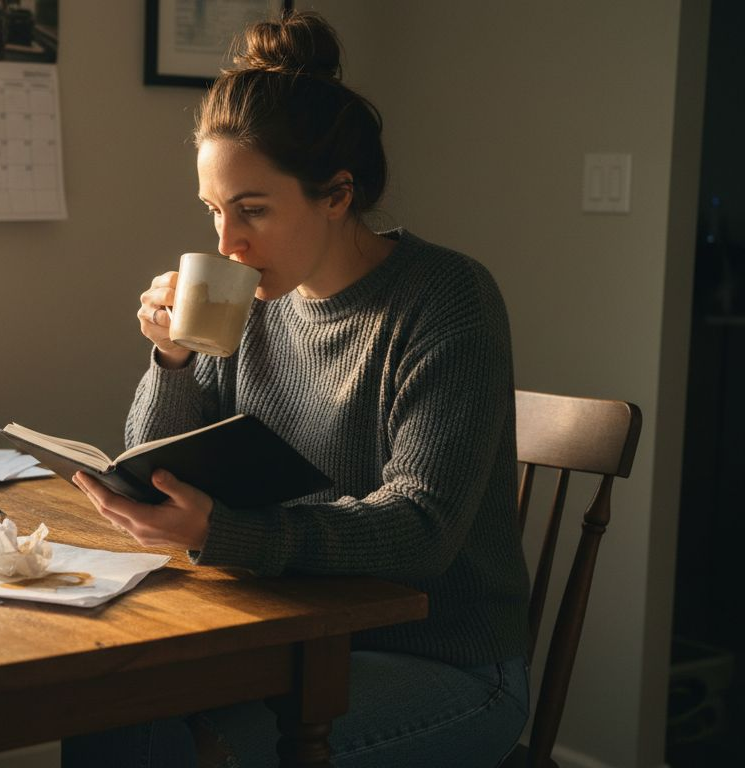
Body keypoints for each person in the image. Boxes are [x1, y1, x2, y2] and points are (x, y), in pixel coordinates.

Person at [63, 11, 531, 768]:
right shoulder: (248, 300)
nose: (227, 245)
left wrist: (223, 533)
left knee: (177, 744)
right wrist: (173, 360)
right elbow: (159, 464)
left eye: (252, 210)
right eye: (214, 211)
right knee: (108, 708)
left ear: (337, 195)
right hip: (287, 631)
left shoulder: (446, 299)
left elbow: (422, 529)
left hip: (445, 665)